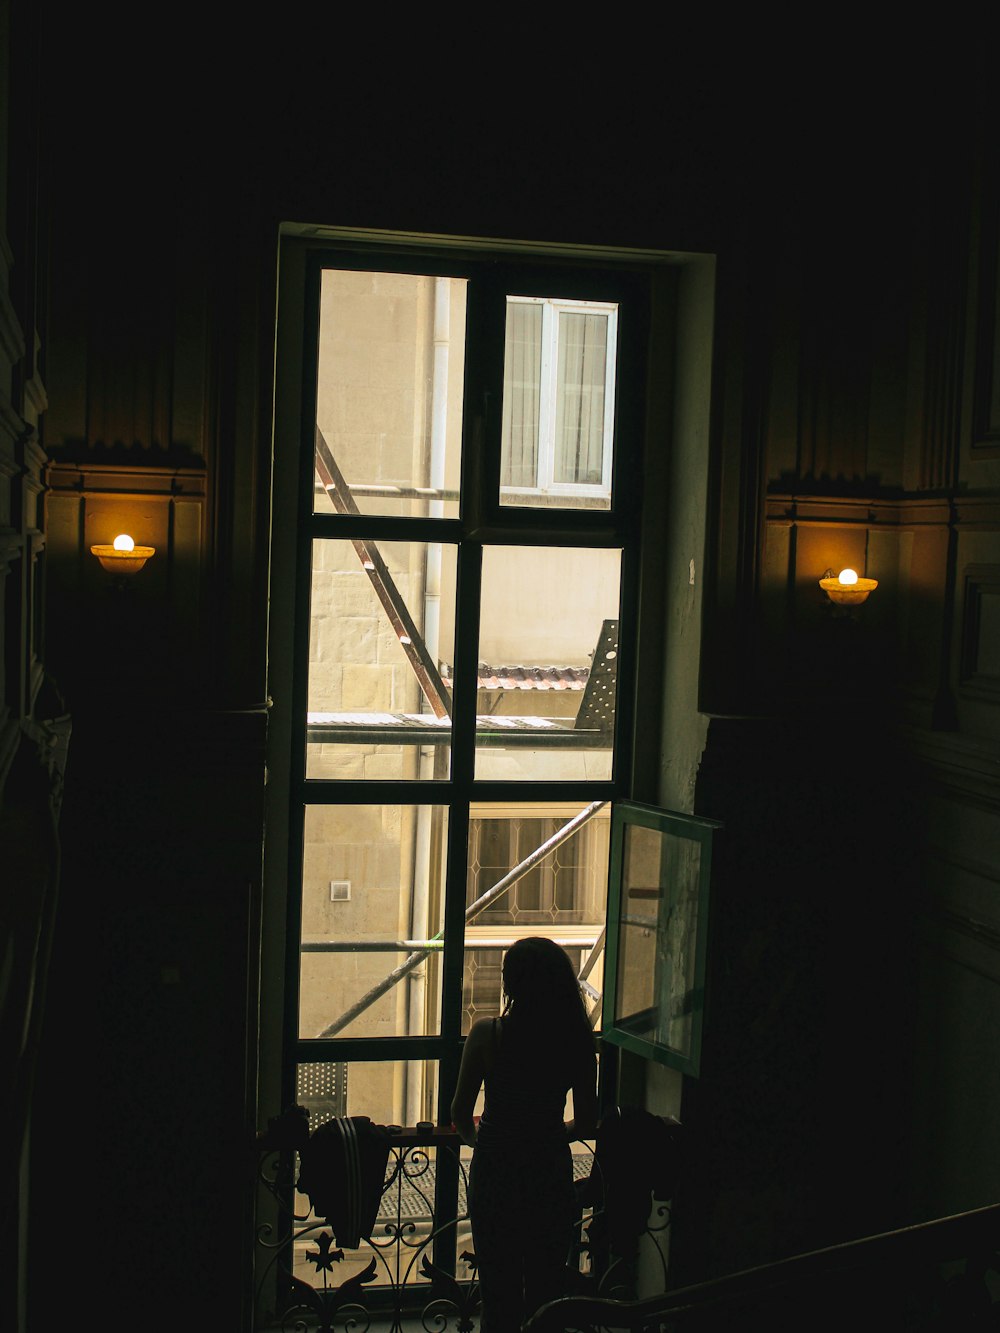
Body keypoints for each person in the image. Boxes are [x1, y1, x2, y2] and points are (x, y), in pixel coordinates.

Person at [451, 937, 598, 1332]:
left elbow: (460, 1115)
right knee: (546, 1293)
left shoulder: (488, 1034)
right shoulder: (577, 1041)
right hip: (548, 1170)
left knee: (498, 1292)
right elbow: (585, 1121)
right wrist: (548, 1133)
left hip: (496, 1172)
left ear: (513, 983)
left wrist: (486, 1141)